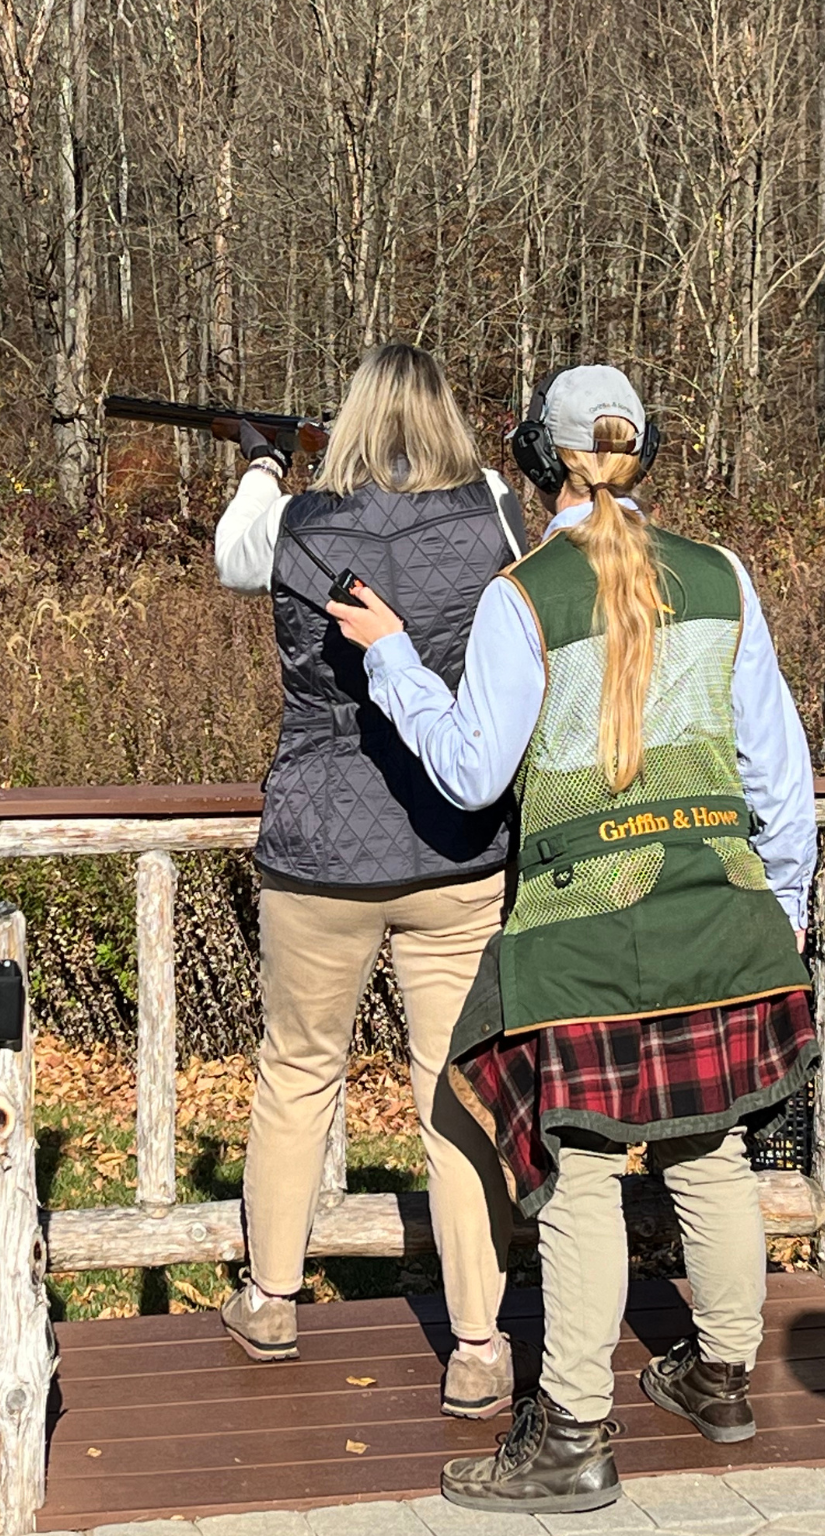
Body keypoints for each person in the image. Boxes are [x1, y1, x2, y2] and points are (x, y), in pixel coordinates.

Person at [327, 365, 819, 1512]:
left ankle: (572, 1438)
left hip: (579, 932)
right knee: (713, 1150)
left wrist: (391, 657)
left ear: (533, 459)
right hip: (724, 912)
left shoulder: (521, 596)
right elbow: (779, 778)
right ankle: (722, 1381)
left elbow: (465, 776)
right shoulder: (722, 577)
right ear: (644, 453)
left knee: (584, 1169)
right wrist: (779, 917)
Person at [213, 342, 532, 1419]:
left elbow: (232, 554)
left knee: (298, 1072)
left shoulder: (299, 523)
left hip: (317, 846)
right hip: (453, 845)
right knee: (453, 1087)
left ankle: (268, 1297)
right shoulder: (492, 516)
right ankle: (479, 1344)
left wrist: (262, 464)